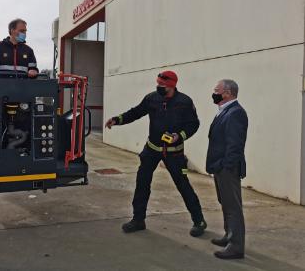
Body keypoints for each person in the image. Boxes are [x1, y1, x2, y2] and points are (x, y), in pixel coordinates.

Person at [105, 71, 207, 237]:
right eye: (158, 84)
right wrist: (118, 120)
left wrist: (179, 136)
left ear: (172, 86)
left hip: (174, 154)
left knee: (183, 186)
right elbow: (136, 112)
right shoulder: (152, 98)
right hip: (151, 150)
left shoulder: (184, 102)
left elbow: (193, 124)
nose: (159, 87)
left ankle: (199, 220)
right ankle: (138, 220)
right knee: (142, 184)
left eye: (163, 86)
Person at [206, 79, 248, 259]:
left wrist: (225, 167)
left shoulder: (236, 113)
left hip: (227, 169)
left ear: (228, 93)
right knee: (226, 203)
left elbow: (235, 145)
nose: (214, 93)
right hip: (220, 167)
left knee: (233, 207)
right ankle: (229, 235)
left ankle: (236, 246)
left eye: (217, 90)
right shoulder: (225, 111)